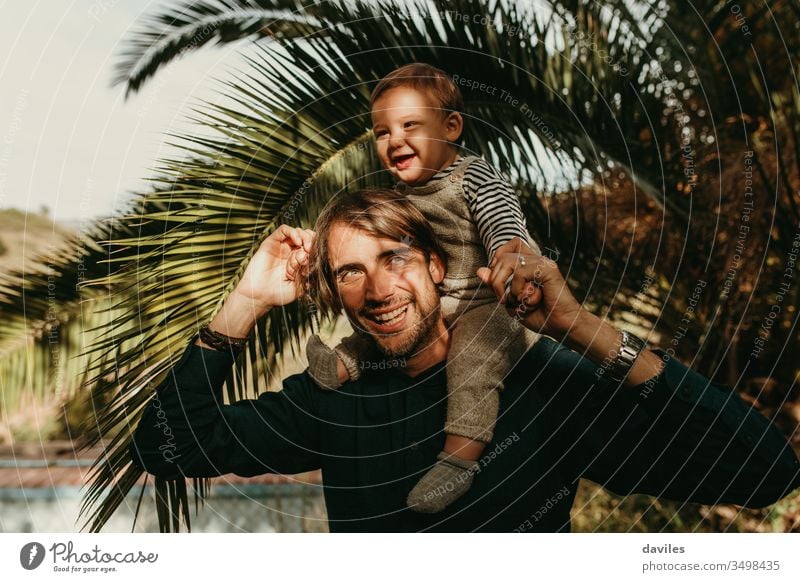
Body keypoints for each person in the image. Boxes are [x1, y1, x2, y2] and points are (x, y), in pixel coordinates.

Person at [129, 189, 800, 532]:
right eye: (351, 272)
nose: (379, 288)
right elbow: (166, 445)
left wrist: (578, 326)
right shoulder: (332, 401)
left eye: (394, 259)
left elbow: (764, 472)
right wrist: (244, 303)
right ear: (334, 292)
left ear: (436, 266)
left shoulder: (541, 386)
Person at [305, 63, 544, 512]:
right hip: (440, 300)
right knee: (386, 319)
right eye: (382, 132)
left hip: (491, 302)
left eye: (410, 125)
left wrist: (510, 252)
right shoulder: (401, 196)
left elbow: (500, 218)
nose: (394, 140)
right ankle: (338, 366)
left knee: (473, 357)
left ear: (451, 127)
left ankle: (459, 458)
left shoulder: (472, 177)